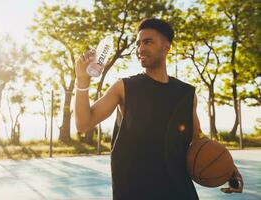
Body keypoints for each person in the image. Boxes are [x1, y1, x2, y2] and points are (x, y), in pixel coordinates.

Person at [74, 18, 243, 200]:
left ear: (166, 46)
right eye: (138, 44)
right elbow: (84, 124)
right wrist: (82, 81)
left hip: (178, 191)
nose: (140, 49)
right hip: (135, 192)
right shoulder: (124, 87)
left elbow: (198, 139)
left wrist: (227, 168)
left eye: (148, 42)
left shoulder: (186, 94)